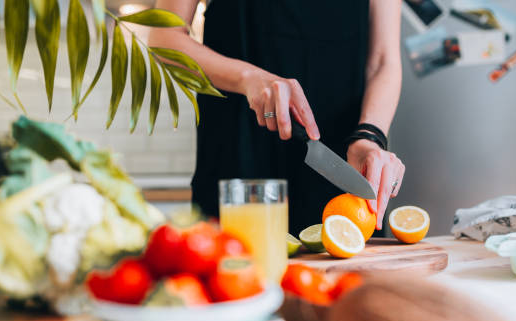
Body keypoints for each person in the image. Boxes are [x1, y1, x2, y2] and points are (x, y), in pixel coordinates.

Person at [149, 0, 405, 234]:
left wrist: (369, 135)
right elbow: (164, 38)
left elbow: (384, 60)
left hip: (340, 165)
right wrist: (247, 79)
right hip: (237, 157)